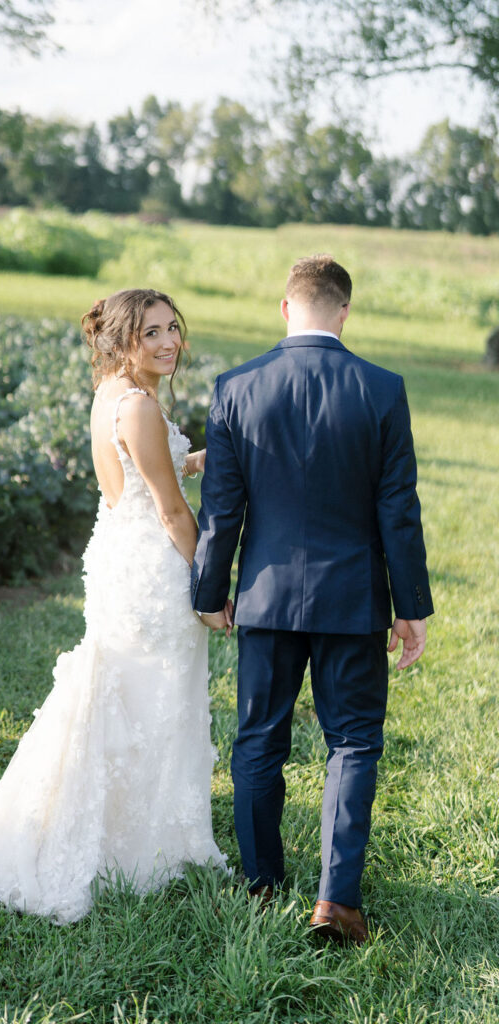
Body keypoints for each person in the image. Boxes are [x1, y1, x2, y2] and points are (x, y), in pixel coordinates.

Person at [0, 288, 228, 923]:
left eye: (172, 328)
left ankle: (122, 831)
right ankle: (141, 850)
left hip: (117, 554)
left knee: (129, 696)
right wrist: (211, 584)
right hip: (155, 568)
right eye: (151, 333)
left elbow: (146, 473)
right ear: (121, 341)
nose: (168, 342)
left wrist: (195, 459)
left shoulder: (112, 394)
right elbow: (168, 509)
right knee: (157, 700)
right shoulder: (137, 405)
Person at [192, 255, 433, 946]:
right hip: (353, 598)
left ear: (285, 307)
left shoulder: (236, 387)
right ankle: (337, 902)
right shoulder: (383, 390)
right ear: (345, 311)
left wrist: (212, 592)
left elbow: (222, 508)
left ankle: (262, 884)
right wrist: (410, 604)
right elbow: (399, 509)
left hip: (264, 600)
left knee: (259, 740)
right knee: (353, 741)